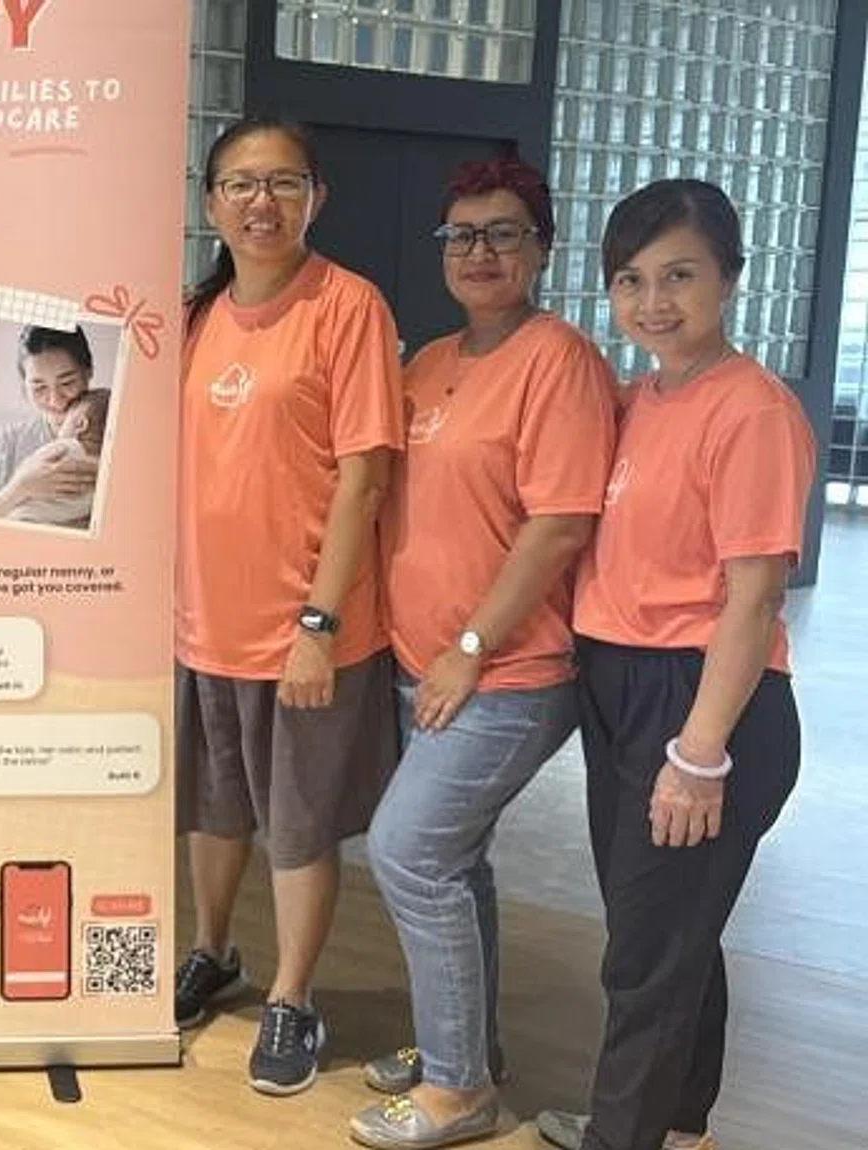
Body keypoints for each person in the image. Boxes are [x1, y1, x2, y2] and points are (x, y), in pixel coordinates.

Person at [533, 180, 814, 1150]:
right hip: (620, 687)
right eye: (632, 279)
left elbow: (755, 596)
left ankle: (626, 1136)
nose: (655, 300)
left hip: (702, 699)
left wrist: (700, 752)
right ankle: (676, 1126)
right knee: (667, 934)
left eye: (681, 275)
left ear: (730, 278)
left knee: (646, 955)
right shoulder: (637, 398)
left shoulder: (753, 411)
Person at [348, 158, 618, 1150]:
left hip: (508, 672)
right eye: (462, 235)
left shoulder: (561, 361)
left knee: (408, 850)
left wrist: (468, 646)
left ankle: (459, 1092)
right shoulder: (429, 362)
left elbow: (557, 526)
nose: (480, 252)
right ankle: (465, 1047)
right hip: (422, 665)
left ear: (540, 248)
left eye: (504, 233)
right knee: (454, 861)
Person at [173, 118, 403, 1097]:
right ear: (211, 199)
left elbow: (364, 479)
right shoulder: (197, 313)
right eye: (238, 184)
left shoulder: (348, 306)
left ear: (317, 197)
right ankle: (214, 950)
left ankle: (294, 995)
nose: (259, 202)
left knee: (300, 825)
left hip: (308, 630)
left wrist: (318, 624)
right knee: (216, 808)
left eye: (282, 183)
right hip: (204, 623)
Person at [0, 325, 102, 520]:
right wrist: (20, 487)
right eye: (39, 388)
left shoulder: (112, 433)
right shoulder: (6, 443)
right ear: (24, 387)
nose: (55, 400)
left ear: (88, 371)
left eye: (67, 383)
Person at [7, 388, 111, 528]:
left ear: (81, 424)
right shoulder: (104, 470)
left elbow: (27, 469)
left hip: (24, 518)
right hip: (58, 525)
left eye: (64, 422)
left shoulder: (64, 448)